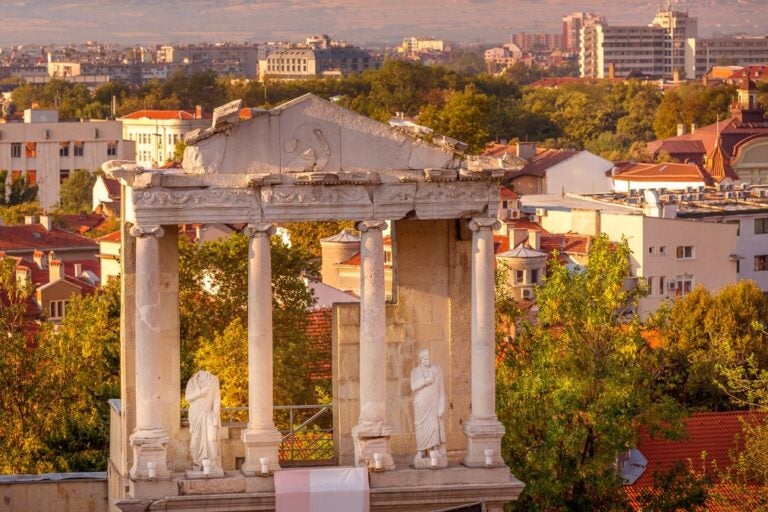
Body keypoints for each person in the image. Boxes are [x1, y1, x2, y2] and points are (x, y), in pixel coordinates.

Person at [410, 349, 446, 466]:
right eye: (425, 358)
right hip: (420, 404)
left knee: (434, 426)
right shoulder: (415, 371)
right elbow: (413, 386)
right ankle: (421, 451)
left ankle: (434, 450)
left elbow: (441, 390)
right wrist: (426, 381)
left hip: (433, 404)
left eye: (429, 358)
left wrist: (442, 405)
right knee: (420, 426)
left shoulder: (436, 370)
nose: (428, 360)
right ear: (421, 360)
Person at [185, 370, 222, 471]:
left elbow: (216, 398)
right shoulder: (192, 382)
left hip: (209, 413)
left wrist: (216, 414)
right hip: (195, 414)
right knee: (195, 440)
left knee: (212, 438)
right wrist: (200, 393)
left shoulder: (213, 380)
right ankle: (197, 463)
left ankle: (213, 463)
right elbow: (187, 398)